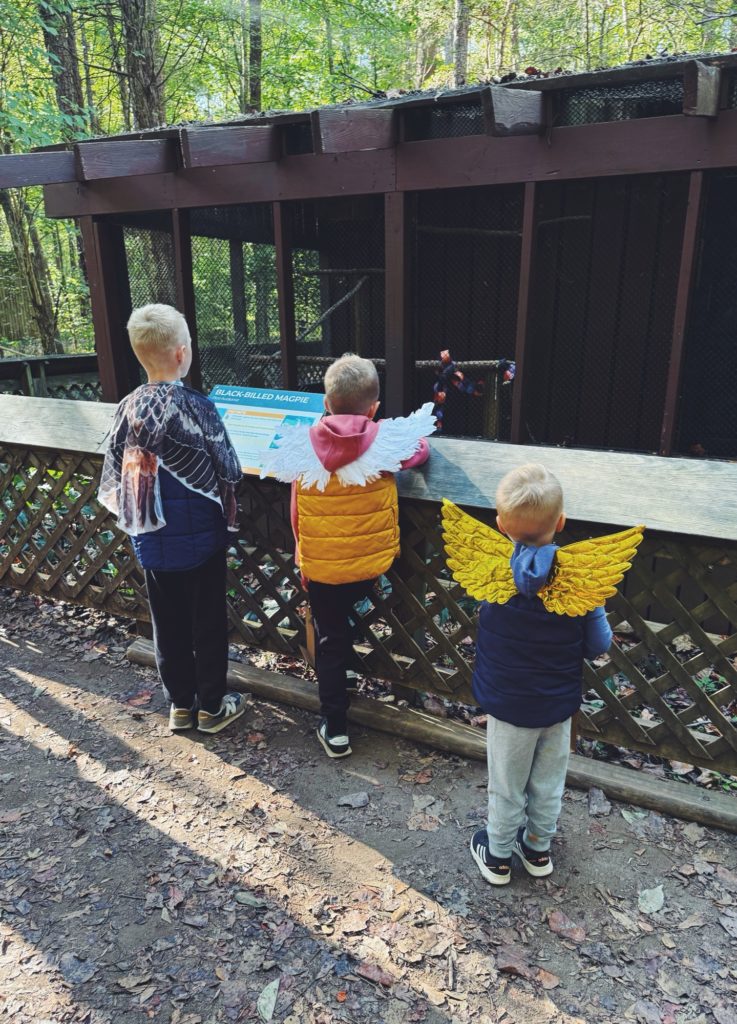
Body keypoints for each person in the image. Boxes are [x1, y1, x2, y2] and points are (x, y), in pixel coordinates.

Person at [449, 464, 618, 884]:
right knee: (547, 781)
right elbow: (599, 644)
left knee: (507, 784)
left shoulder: (493, 576)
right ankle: (537, 849)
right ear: (561, 522)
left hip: (507, 705)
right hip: (556, 705)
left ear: (500, 525)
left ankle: (498, 856)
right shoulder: (581, 586)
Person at [261, 353, 435, 758]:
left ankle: (335, 726)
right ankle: (357, 677)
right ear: (374, 408)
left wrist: (303, 556)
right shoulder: (385, 443)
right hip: (372, 563)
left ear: (325, 403)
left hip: (323, 566)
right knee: (353, 616)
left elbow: (295, 511)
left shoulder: (303, 446)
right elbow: (421, 451)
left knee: (331, 638)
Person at [99, 304, 246, 735]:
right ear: (182, 354)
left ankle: (181, 705)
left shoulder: (126, 408)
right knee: (208, 624)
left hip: (152, 540)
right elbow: (229, 468)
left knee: (168, 624)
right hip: (203, 541)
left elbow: (112, 470)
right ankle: (213, 708)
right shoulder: (199, 408)